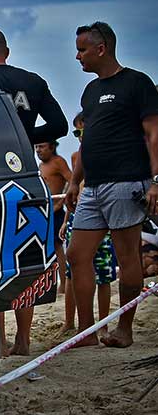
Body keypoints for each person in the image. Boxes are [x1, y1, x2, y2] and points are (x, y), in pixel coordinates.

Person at [0, 28, 67, 356]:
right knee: (25, 253)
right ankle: (23, 340)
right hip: (24, 174)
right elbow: (59, 126)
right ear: (7, 50)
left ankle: (1, 342)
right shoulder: (32, 82)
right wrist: (24, 135)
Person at [64, 21, 158, 348]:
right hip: (92, 186)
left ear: (100, 49)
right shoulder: (90, 92)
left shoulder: (137, 83)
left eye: (82, 50)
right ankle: (87, 332)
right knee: (77, 255)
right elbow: (89, 141)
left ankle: (125, 328)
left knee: (127, 257)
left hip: (127, 182)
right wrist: (75, 182)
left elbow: (154, 134)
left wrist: (156, 181)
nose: (77, 57)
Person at [58, 112, 117, 339]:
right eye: (76, 132)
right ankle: (70, 323)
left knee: (103, 275)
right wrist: (65, 220)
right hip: (78, 217)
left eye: (82, 131)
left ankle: (102, 324)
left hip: (103, 219)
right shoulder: (76, 156)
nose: (80, 136)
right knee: (73, 273)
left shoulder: (109, 152)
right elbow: (73, 190)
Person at [35, 140, 71, 292]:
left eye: (42, 146)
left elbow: (72, 180)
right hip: (44, 211)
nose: (38, 150)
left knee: (58, 248)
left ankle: (63, 284)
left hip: (56, 212)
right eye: (36, 147)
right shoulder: (41, 166)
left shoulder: (58, 162)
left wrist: (60, 202)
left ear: (52, 147)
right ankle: (50, 284)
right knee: (44, 250)